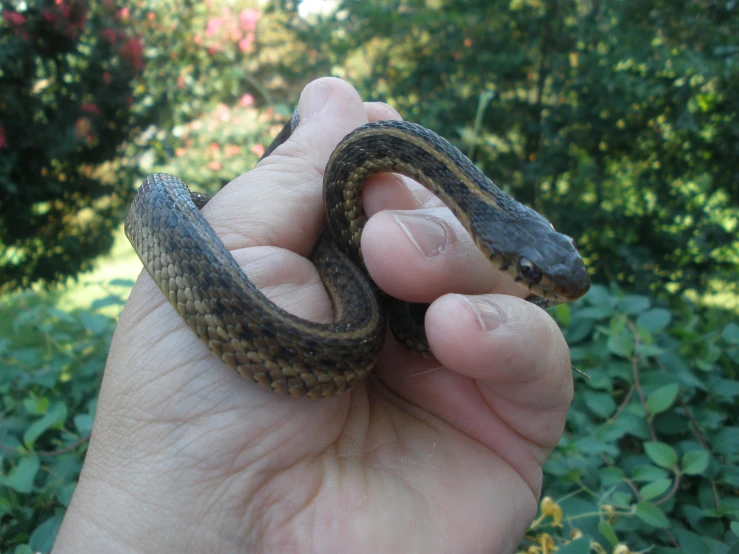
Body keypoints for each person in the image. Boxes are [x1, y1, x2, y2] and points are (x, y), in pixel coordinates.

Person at [53, 78, 575, 554]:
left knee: (401, 278)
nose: (540, 282)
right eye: (530, 272)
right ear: (496, 244)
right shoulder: (359, 156)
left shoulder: (448, 206)